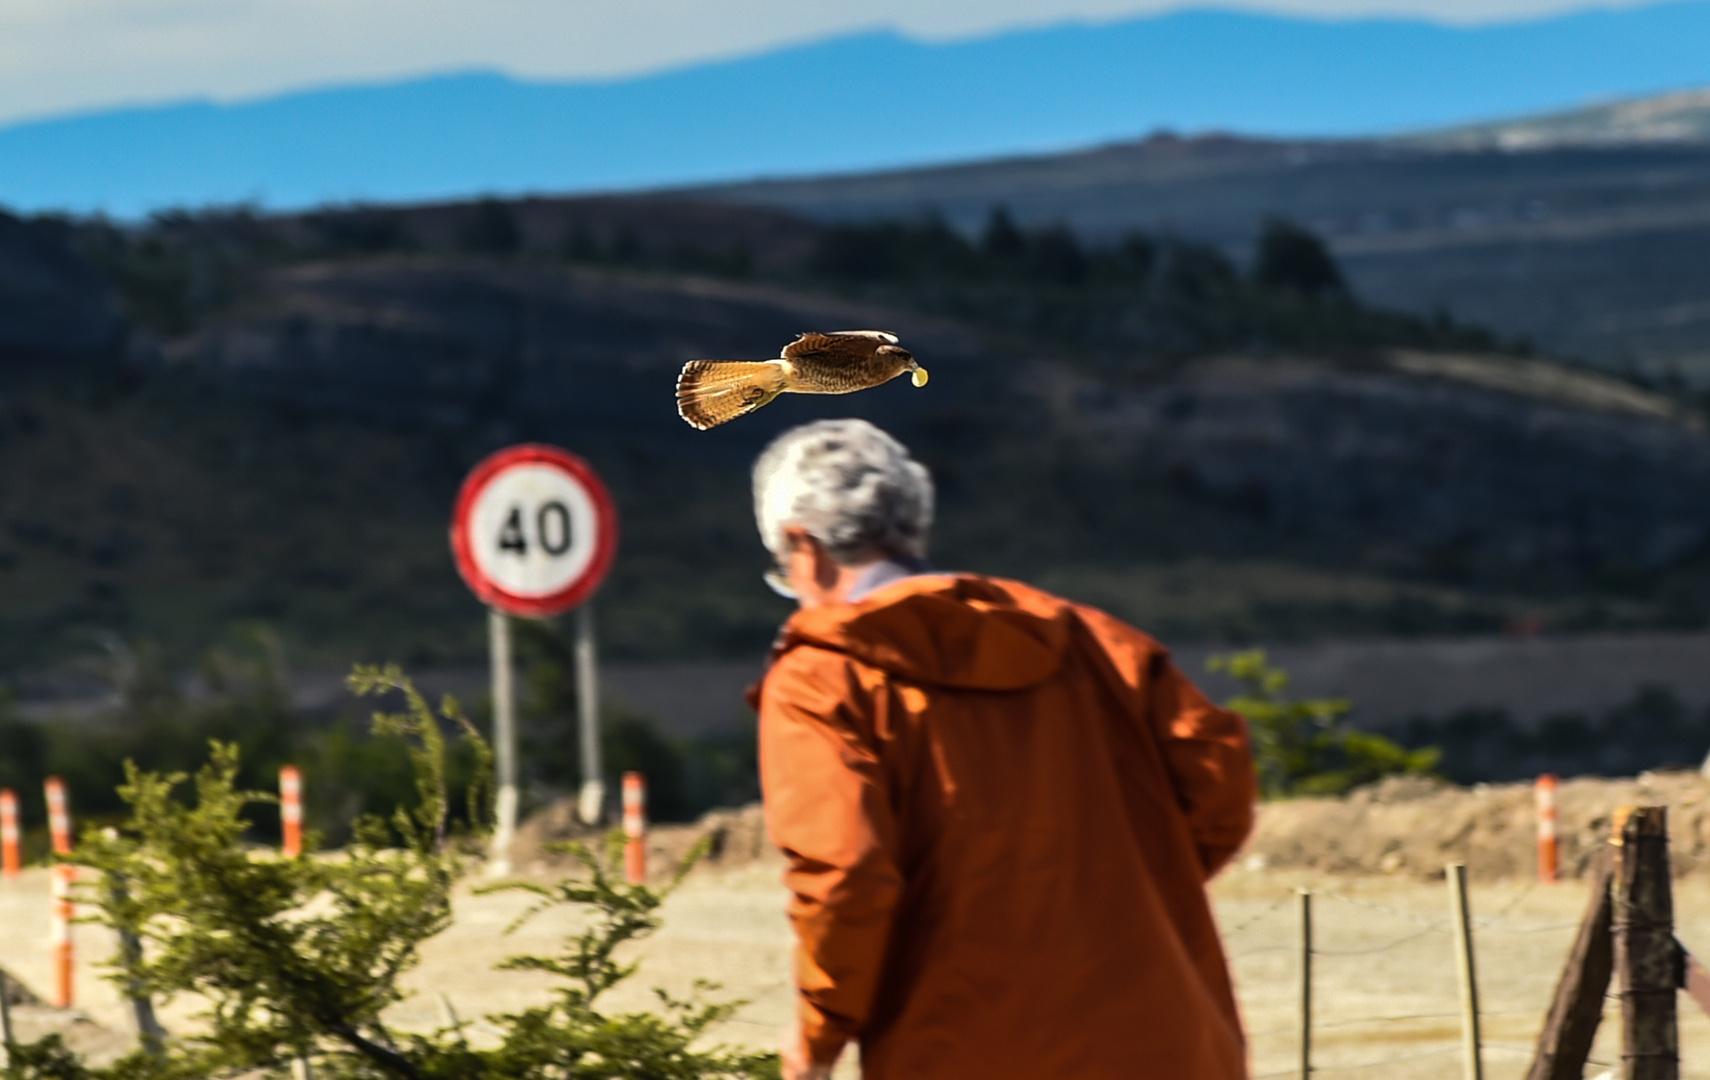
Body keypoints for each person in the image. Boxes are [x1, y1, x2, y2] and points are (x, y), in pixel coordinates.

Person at [748, 419, 1258, 1080]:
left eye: (782, 570)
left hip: (963, 1048)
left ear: (802, 547)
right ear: (909, 531)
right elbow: (1218, 771)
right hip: (1166, 1041)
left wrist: (819, 1037)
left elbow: (844, 875)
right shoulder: (1087, 638)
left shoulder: (821, 678)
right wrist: (1123, 890)